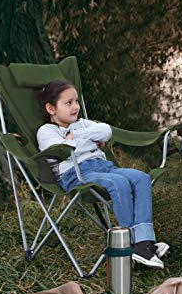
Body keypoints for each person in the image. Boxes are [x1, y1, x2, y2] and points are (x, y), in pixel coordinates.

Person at [37, 79, 168, 269]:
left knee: (141, 178)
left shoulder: (82, 124)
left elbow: (105, 131)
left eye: (76, 101)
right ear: (51, 108)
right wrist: (88, 138)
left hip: (104, 167)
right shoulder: (46, 131)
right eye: (68, 103)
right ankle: (129, 242)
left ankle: (144, 241)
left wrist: (78, 136)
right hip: (76, 174)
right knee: (119, 183)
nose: (75, 107)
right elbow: (61, 149)